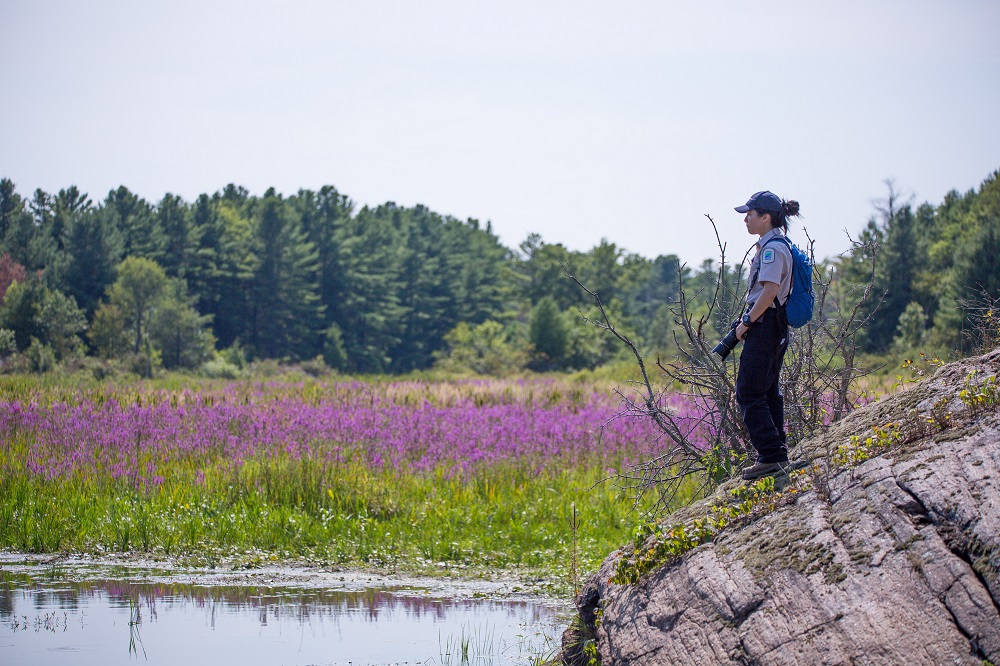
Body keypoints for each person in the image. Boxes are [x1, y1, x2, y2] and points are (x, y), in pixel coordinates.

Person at [733, 190, 801, 480]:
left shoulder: (773, 248)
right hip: (773, 324)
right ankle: (777, 453)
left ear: (766, 217)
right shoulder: (775, 245)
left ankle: (771, 456)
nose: (746, 219)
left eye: (750, 213)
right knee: (768, 392)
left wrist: (747, 322)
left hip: (766, 323)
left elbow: (770, 290)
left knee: (748, 392)